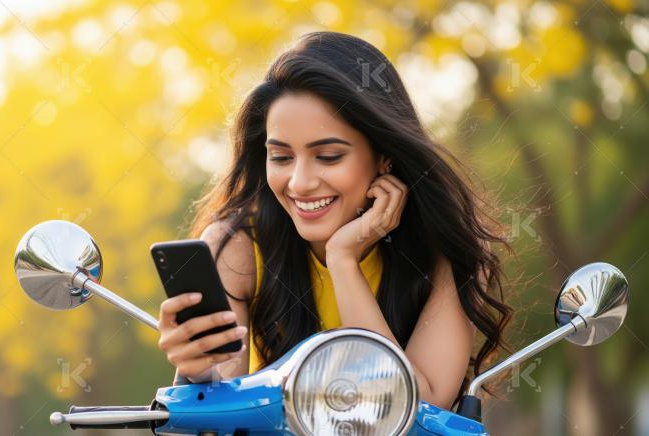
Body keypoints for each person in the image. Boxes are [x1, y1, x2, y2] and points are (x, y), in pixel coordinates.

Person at [156, 31, 512, 410]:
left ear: (385, 156)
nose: (299, 183)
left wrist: (343, 261)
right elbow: (216, 419)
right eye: (281, 157)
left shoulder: (445, 248)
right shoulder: (237, 248)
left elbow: (417, 408)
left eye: (328, 156)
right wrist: (197, 374)